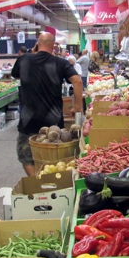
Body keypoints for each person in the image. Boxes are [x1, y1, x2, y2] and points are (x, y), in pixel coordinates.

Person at [11, 32, 83, 177]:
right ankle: (51, 182)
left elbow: (16, 75)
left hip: (28, 120)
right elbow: (77, 81)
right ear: (54, 44)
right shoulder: (60, 63)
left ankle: (37, 181)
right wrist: (78, 107)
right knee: (54, 158)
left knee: (26, 156)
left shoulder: (23, 59)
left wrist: (32, 53)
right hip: (53, 123)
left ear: (37, 43)